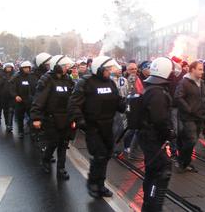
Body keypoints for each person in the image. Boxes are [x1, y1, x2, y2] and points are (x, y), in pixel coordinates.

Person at [68, 56, 125, 198]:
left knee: (106, 155)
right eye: (107, 69)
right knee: (99, 155)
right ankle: (93, 183)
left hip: (108, 126)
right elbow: (74, 103)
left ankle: (101, 185)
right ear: (99, 69)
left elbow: (117, 101)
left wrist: (126, 105)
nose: (110, 72)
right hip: (93, 126)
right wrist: (80, 120)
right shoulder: (85, 82)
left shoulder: (111, 83)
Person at [138, 57, 175, 212]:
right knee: (161, 170)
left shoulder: (151, 88)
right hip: (153, 138)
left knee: (153, 171)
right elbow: (160, 119)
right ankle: (153, 206)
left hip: (148, 137)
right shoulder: (158, 93)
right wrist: (170, 133)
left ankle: (148, 205)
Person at [31, 55, 74, 180]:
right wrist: (36, 117)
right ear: (57, 66)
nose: (67, 68)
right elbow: (39, 100)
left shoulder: (68, 80)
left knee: (64, 144)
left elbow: (73, 97)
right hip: (51, 117)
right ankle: (45, 160)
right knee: (53, 142)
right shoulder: (47, 80)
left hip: (65, 117)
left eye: (67, 66)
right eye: (64, 66)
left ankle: (61, 169)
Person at [174, 61, 205, 173]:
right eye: (200, 69)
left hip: (199, 116)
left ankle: (185, 162)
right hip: (188, 117)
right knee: (191, 140)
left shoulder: (202, 82)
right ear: (192, 69)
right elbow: (178, 97)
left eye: (202, 69)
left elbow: (203, 98)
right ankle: (181, 161)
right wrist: (188, 109)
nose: (202, 72)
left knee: (192, 140)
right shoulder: (184, 82)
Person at [10, 61, 36, 139]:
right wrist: (16, 96)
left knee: (32, 117)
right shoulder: (17, 77)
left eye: (28, 68)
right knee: (20, 118)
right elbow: (12, 88)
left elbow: (35, 87)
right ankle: (20, 132)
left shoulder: (32, 77)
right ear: (22, 68)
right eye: (25, 68)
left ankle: (32, 132)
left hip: (29, 101)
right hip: (20, 101)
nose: (27, 69)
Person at [0, 63, 16, 132]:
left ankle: (10, 125)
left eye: (10, 67)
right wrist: (2, 79)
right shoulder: (1, 74)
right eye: (7, 67)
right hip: (3, 96)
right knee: (5, 110)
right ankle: (7, 123)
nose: (9, 68)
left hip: (12, 96)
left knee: (11, 110)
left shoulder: (15, 75)